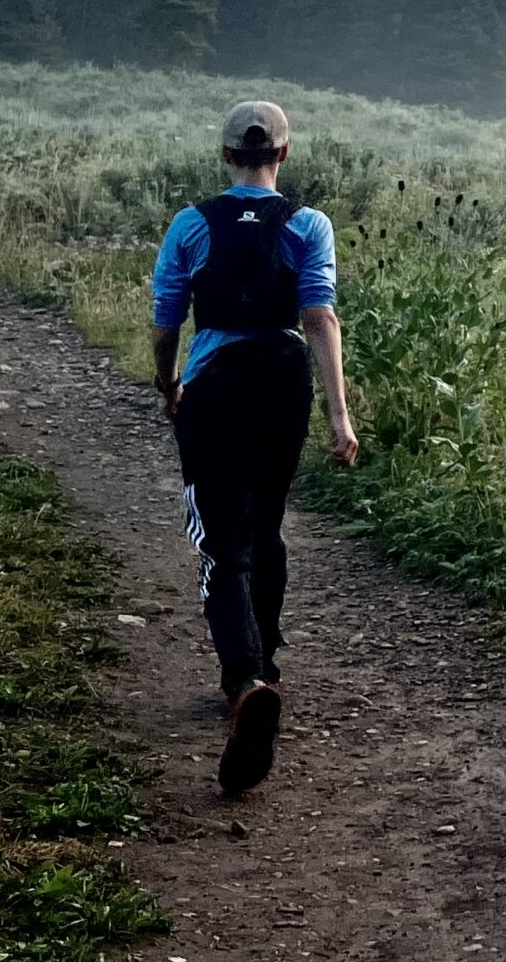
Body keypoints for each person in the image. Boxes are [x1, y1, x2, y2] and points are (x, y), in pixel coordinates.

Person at [150, 100, 359, 796]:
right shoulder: (308, 223)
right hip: (282, 384)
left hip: (214, 389)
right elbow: (320, 315)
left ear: (224, 156)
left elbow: (166, 317)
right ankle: (265, 662)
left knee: (220, 542)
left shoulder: (190, 223)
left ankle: (243, 681)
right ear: (285, 154)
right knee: (265, 527)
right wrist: (339, 416)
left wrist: (168, 381)